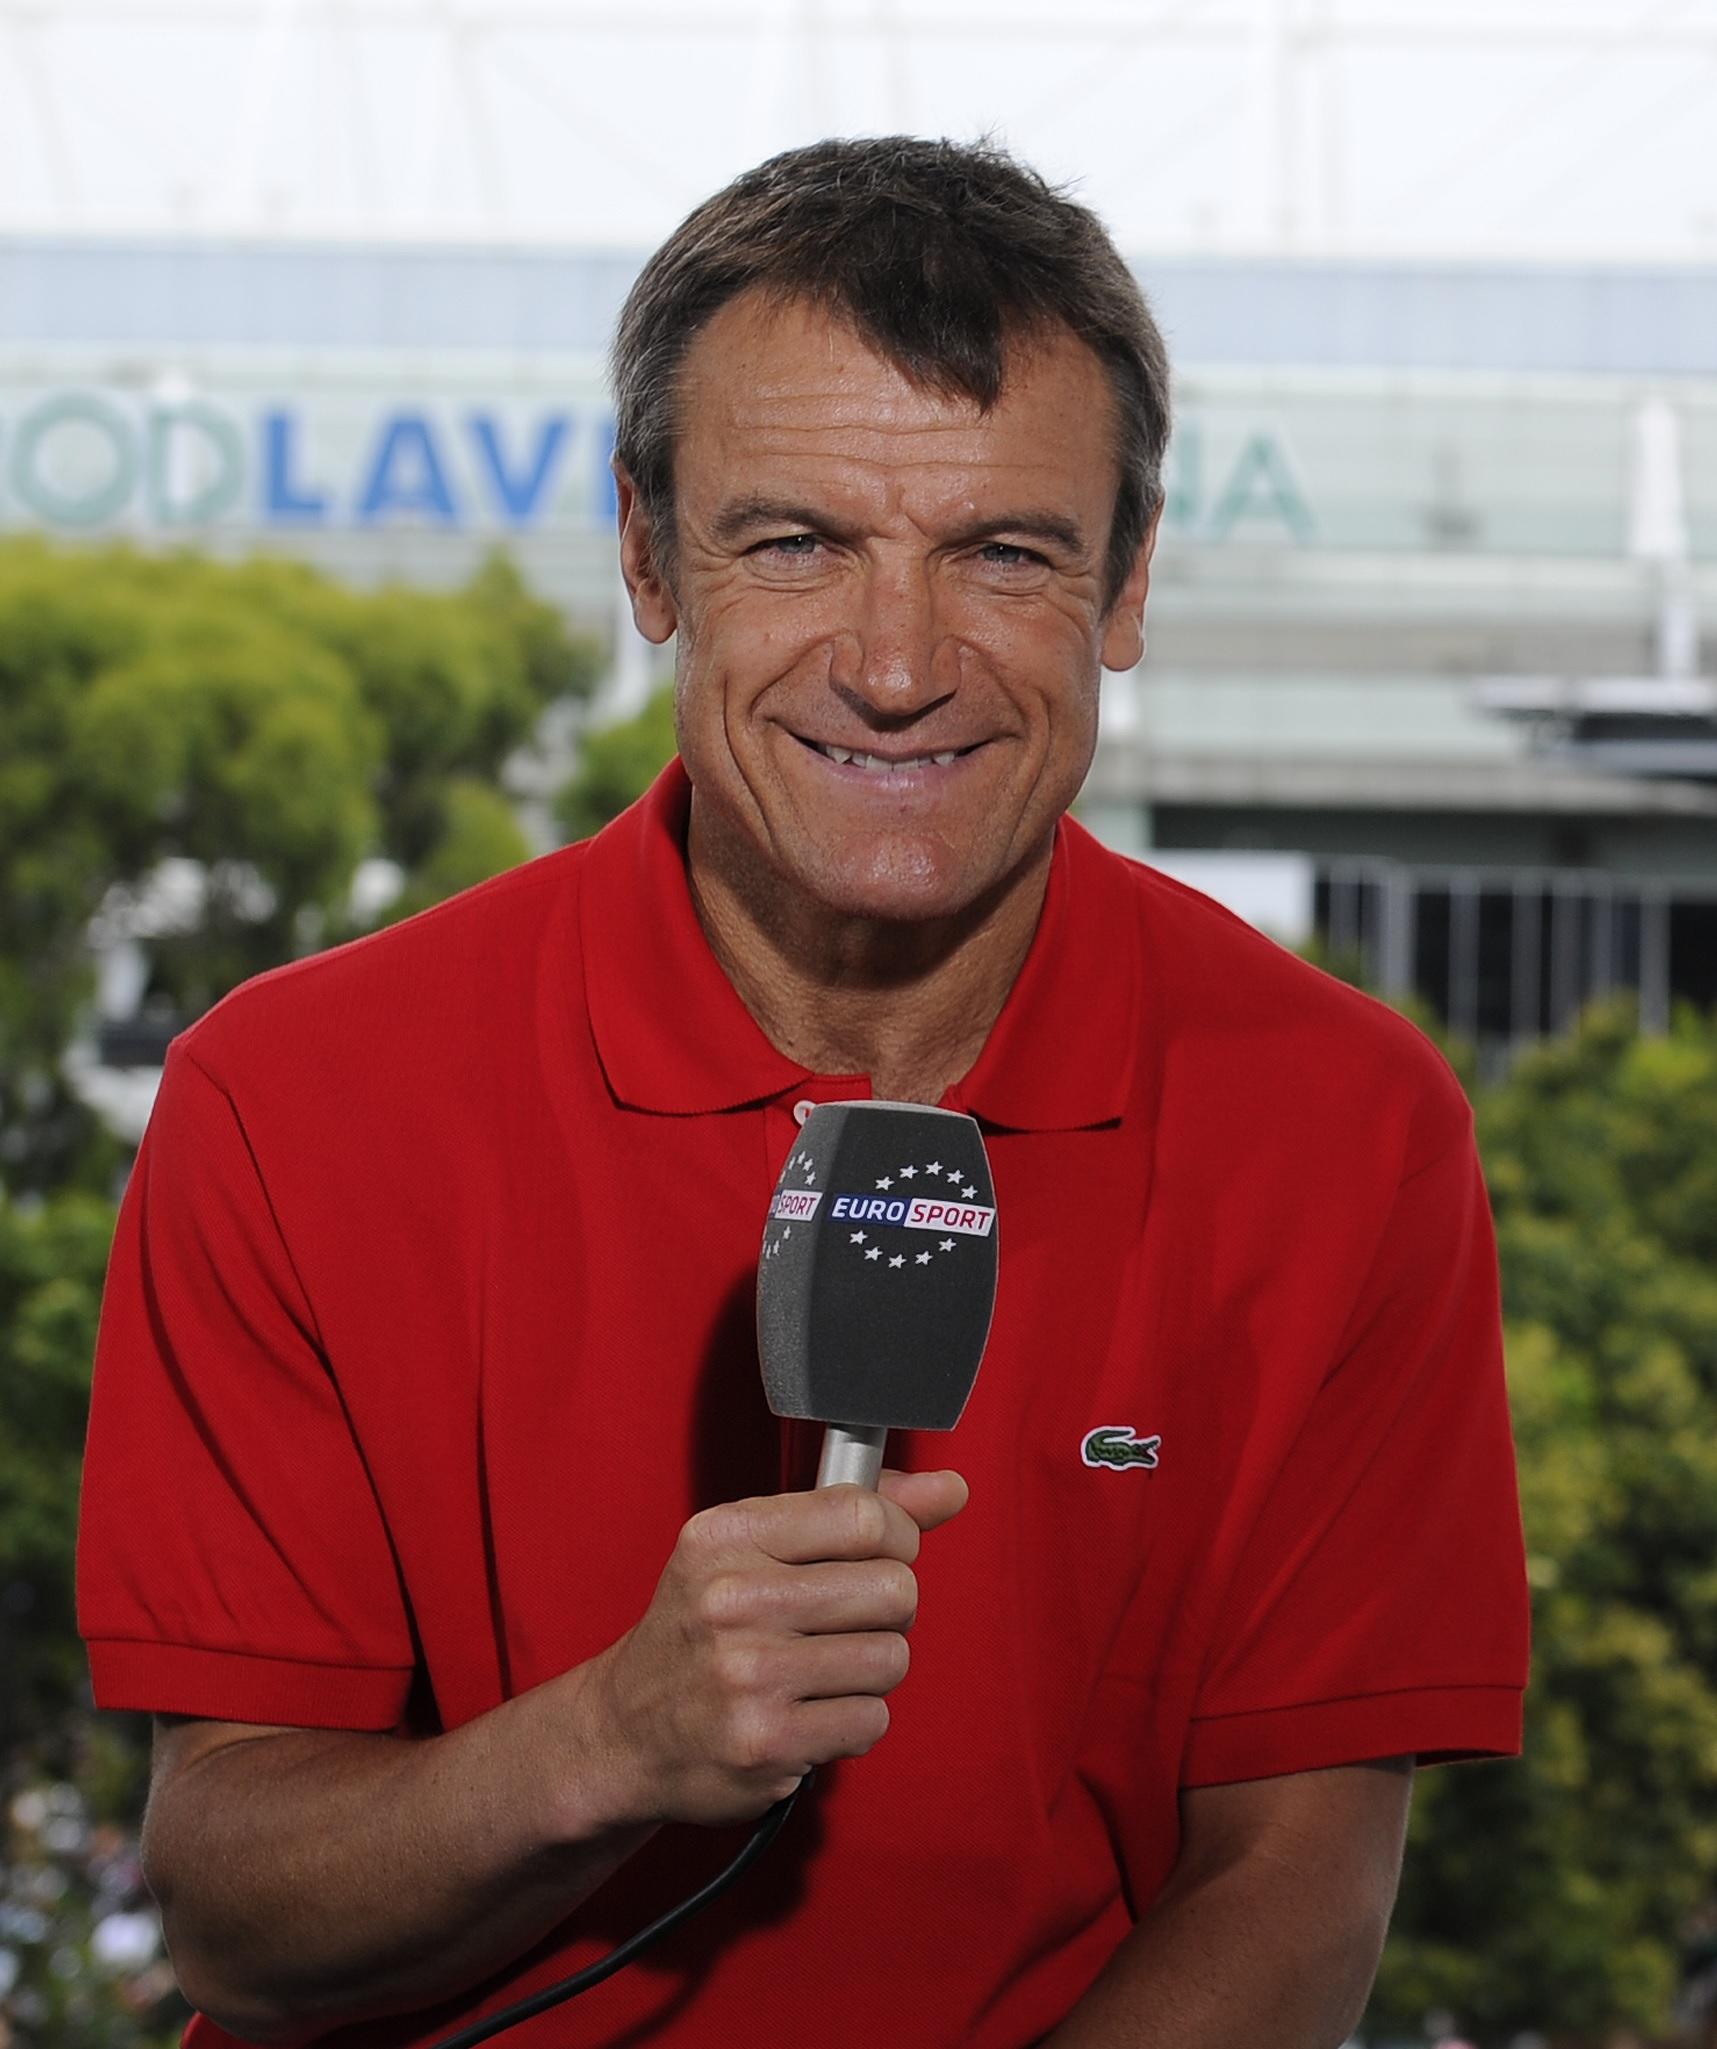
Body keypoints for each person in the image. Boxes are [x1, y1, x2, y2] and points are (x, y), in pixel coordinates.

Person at [77, 136, 1531, 2049]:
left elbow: (1290, 1882)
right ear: (644, 553)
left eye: (1002, 552)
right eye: (794, 542)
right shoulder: (291, 1098)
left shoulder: (1348, 1123)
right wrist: (609, 1737)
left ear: (1128, 583)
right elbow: (239, 1925)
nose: (897, 663)